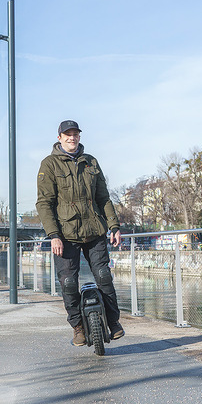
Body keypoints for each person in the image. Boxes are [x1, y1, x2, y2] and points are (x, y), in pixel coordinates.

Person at [36, 120, 124, 346]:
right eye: (68, 135)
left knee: (104, 276)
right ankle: (77, 327)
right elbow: (44, 203)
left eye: (75, 134)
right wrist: (53, 234)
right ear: (60, 138)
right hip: (65, 235)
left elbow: (103, 198)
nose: (72, 138)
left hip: (94, 231)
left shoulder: (91, 162)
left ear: (79, 137)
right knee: (68, 282)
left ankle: (113, 322)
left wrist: (114, 226)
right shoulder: (49, 165)